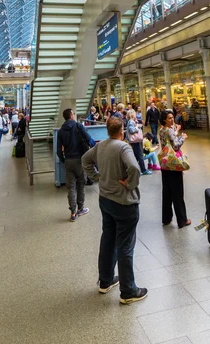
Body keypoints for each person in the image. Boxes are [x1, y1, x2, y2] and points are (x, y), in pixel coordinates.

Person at [81, 116, 147, 305]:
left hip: (106, 200)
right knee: (126, 245)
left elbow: (85, 160)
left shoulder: (101, 146)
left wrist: (97, 177)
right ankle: (128, 291)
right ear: (122, 130)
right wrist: (130, 184)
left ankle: (106, 280)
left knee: (108, 239)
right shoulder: (123, 147)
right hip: (124, 202)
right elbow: (134, 167)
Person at [57, 109, 92, 222]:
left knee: (71, 187)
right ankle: (80, 208)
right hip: (80, 160)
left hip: (68, 161)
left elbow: (58, 151)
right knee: (81, 185)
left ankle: (73, 212)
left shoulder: (61, 131)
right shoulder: (78, 126)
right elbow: (88, 139)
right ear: (71, 116)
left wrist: (64, 160)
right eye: (73, 113)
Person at [159, 109, 191, 228]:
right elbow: (176, 145)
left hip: (165, 163)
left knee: (167, 192)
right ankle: (182, 220)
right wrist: (183, 137)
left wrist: (176, 131)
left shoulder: (162, 130)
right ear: (164, 119)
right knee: (177, 192)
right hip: (173, 165)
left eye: (172, 117)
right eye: (169, 118)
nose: (172, 120)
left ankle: (166, 218)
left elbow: (169, 140)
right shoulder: (169, 130)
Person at [126, 110, 152, 176]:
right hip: (136, 140)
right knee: (139, 155)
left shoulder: (131, 121)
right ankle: (143, 170)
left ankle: (134, 169)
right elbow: (132, 130)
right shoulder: (131, 121)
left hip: (135, 140)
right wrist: (137, 127)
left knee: (136, 155)